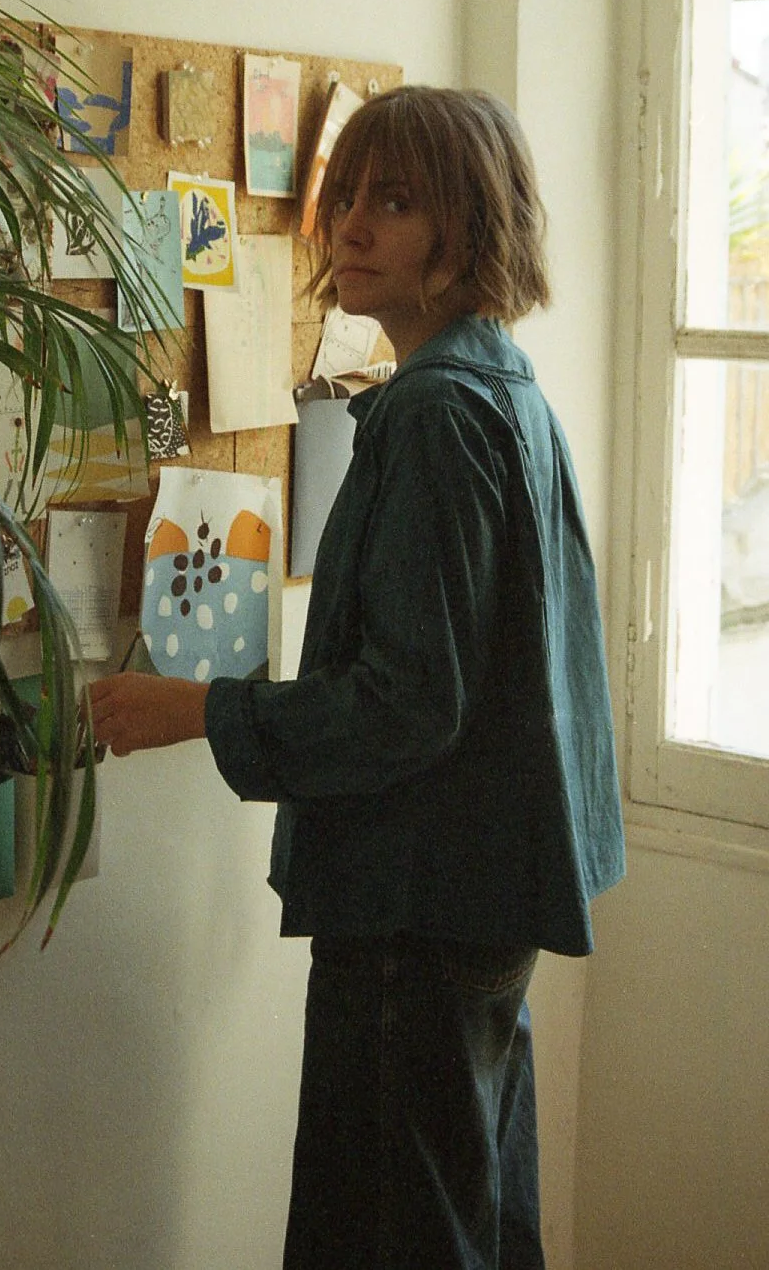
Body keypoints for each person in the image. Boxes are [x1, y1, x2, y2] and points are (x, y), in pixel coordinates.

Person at [90, 85, 626, 1270]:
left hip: (417, 905)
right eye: (345, 200)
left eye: (395, 203)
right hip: (482, 893)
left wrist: (199, 710)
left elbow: (408, 704)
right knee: (467, 1218)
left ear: (468, 225)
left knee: (388, 1235)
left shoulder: (435, 414)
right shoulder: (504, 386)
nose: (352, 228)